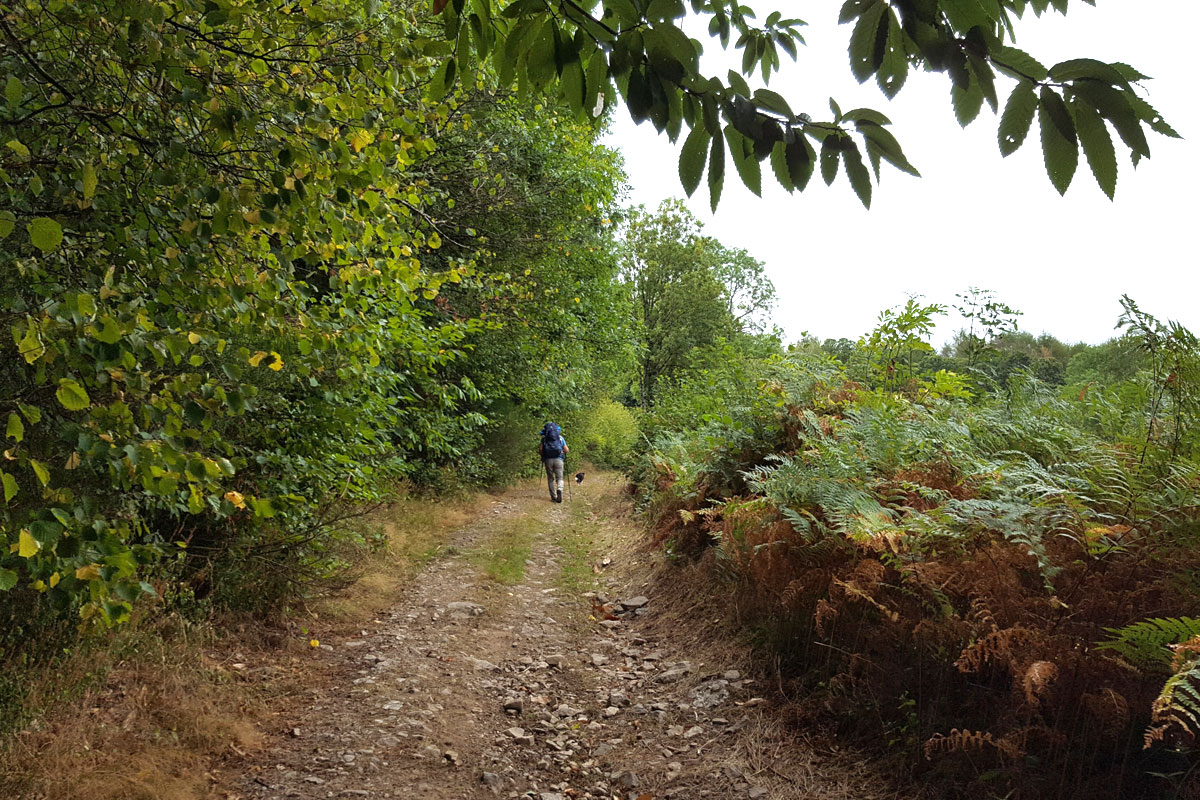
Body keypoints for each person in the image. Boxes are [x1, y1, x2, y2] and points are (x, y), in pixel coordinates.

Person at [538, 421, 568, 503]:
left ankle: (553, 496)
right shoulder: (560, 438)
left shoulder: (544, 439)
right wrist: (562, 452)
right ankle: (559, 489)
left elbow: (540, 449)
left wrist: (543, 455)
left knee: (550, 479)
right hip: (559, 460)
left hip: (548, 460)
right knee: (560, 478)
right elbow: (566, 450)